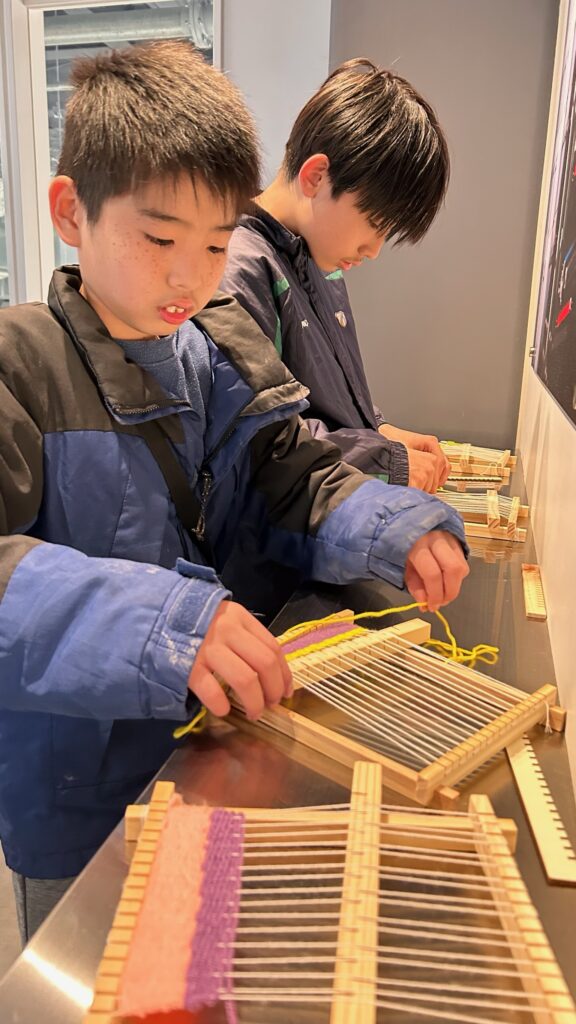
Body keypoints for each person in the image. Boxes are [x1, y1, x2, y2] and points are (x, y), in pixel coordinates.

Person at [0, 40, 468, 943]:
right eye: (160, 238)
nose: (192, 274)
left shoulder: (218, 348)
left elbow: (292, 480)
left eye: (217, 242)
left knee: (197, 966)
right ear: (71, 212)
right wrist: (168, 625)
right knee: (85, 971)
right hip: (77, 799)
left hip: (217, 753)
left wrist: (396, 526)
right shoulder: (20, 364)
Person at [220, 58, 451, 493]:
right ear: (316, 176)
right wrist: (384, 461)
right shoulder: (240, 268)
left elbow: (325, 404)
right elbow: (259, 441)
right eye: (375, 223)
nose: (374, 250)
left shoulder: (317, 262)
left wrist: (381, 432)